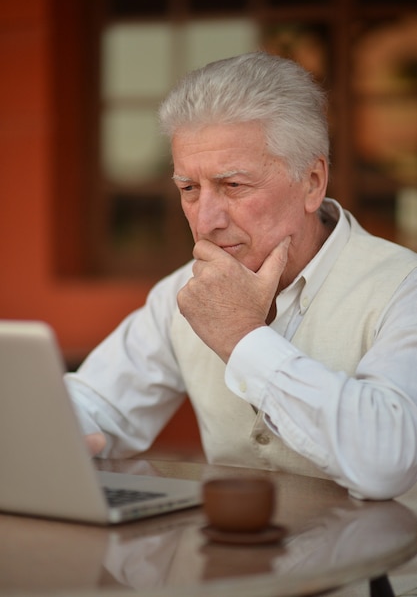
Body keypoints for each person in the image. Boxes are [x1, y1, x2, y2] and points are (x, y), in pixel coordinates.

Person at [66, 51, 417, 501]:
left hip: (381, 571)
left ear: (312, 181)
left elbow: (386, 464)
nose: (206, 219)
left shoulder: (403, 288)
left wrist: (242, 335)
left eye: (233, 186)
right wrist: (58, 430)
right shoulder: (180, 291)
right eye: (189, 189)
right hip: (235, 569)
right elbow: (98, 404)